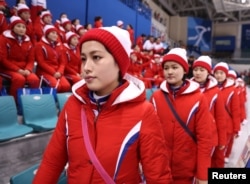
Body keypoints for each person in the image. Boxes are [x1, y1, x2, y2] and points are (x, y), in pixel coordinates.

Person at [33, 26, 173, 183]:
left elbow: (158, 175)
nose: (86, 68)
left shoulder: (143, 112)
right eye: (84, 59)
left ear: (119, 62)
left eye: (96, 57)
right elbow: (52, 163)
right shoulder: (72, 105)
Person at [150, 48, 212, 184]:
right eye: (166, 68)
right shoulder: (156, 97)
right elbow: (148, 134)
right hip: (158, 168)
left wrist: (202, 174)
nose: (170, 71)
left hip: (186, 170)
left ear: (185, 70)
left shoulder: (198, 99)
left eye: (174, 67)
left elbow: (204, 138)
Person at [192, 56, 227, 168]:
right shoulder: (187, 88)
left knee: (204, 166)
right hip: (189, 135)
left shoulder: (216, 91)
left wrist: (222, 140)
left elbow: (220, 117)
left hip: (208, 137)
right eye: (195, 69)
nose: (198, 73)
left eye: (202, 70)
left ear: (208, 72)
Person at [0, 16, 39, 101]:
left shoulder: (28, 41)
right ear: (12, 27)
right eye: (18, 26)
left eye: (23, 27)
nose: (21, 29)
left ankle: (32, 102)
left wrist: (28, 69)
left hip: (24, 69)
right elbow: (3, 59)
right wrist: (18, 70)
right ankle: (14, 102)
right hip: (7, 69)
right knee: (19, 78)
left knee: (34, 79)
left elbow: (31, 59)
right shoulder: (3, 39)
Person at [213, 62, 241, 164]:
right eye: (216, 73)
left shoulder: (232, 90)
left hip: (226, 127)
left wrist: (236, 128)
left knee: (220, 155)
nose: (219, 75)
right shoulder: (210, 88)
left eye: (221, 73)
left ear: (226, 74)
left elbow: (235, 110)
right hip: (211, 127)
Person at [34, 25, 71, 93]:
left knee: (66, 86)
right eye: (53, 33)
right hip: (45, 71)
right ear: (47, 34)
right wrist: (53, 72)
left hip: (57, 71)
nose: (55, 35)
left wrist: (60, 71)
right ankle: (50, 102)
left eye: (56, 33)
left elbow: (63, 62)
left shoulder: (59, 46)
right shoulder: (39, 45)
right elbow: (41, 62)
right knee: (56, 86)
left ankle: (59, 102)